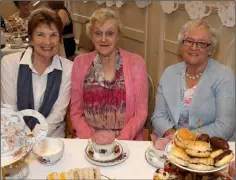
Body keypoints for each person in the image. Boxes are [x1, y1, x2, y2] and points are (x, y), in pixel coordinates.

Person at [70, 8, 148, 140]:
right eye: (98, 33)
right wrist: (91, 137)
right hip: (88, 140)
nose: (103, 39)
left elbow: (141, 112)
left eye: (110, 33)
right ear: (91, 36)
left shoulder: (136, 63)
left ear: (118, 37)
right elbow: (75, 112)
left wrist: (119, 140)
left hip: (126, 141)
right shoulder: (79, 63)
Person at [151, 20, 235, 141]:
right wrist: (172, 135)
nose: (194, 47)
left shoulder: (224, 76)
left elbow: (225, 127)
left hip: (209, 147)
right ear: (181, 45)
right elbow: (158, 116)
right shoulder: (169, 73)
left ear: (210, 49)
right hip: (172, 143)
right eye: (189, 41)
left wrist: (185, 138)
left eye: (201, 43)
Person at [1, 8, 73, 138]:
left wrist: (34, 136)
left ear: (59, 39)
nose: (47, 42)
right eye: (40, 34)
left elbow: (57, 114)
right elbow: (10, 110)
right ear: (31, 39)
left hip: (51, 139)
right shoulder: (9, 63)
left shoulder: (68, 68)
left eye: (53, 35)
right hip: (16, 136)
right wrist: (24, 139)